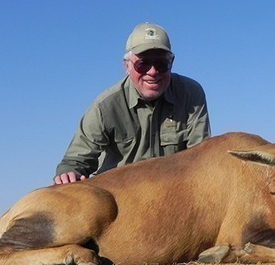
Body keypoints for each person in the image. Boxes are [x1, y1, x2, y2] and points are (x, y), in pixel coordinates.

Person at [54, 22, 211, 184]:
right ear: (127, 66)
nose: (152, 72)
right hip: (122, 195)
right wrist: (68, 173)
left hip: (173, 192)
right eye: (143, 64)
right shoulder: (105, 107)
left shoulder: (191, 94)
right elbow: (75, 161)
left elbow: (201, 157)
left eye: (161, 64)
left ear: (171, 63)